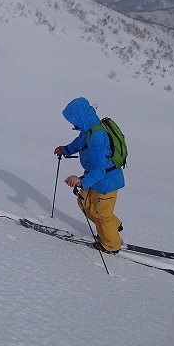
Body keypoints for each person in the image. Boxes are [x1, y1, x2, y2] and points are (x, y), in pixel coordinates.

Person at [54, 97, 125, 253]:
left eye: (73, 120)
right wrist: (65, 150)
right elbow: (79, 143)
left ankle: (111, 245)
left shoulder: (97, 137)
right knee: (84, 201)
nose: (73, 124)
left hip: (106, 182)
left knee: (101, 215)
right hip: (94, 179)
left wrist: (80, 181)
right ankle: (113, 226)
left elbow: (99, 169)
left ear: (80, 117)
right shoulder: (89, 129)